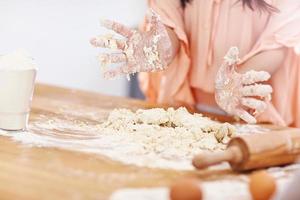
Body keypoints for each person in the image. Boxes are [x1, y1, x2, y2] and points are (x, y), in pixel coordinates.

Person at [90, 0, 300, 127]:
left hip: (252, 115)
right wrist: (156, 49)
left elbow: (276, 47)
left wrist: (235, 84)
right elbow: (169, 25)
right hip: (181, 111)